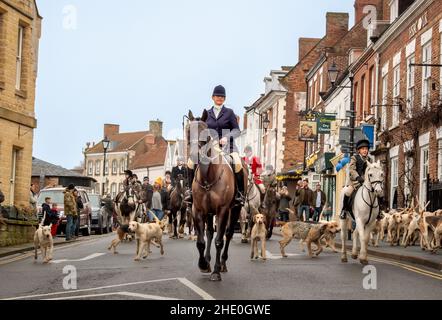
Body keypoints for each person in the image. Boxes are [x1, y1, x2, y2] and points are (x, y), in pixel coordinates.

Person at [186, 85, 245, 206]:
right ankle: (190, 192)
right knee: (191, 162)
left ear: (225, 98)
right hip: (209, 148)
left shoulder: (229, 113)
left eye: (222, 96)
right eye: (217, 96)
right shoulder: (206, 114)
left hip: (228, 147)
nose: (220, 98)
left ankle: (239, 193)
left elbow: (237, 130)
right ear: (213, 97)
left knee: (238, 162)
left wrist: (226, 137)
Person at [340, 139, 375, 219]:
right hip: (356, 182)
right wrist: (357, 177)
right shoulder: (354, 158)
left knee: (377, 192)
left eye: (366, 149)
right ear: (359, 150)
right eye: (363, 149)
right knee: (347, 192)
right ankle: (344, 210)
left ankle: (378, 212)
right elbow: (352, 169)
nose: (365, 151)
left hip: (367, 183)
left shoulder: (370, 160)